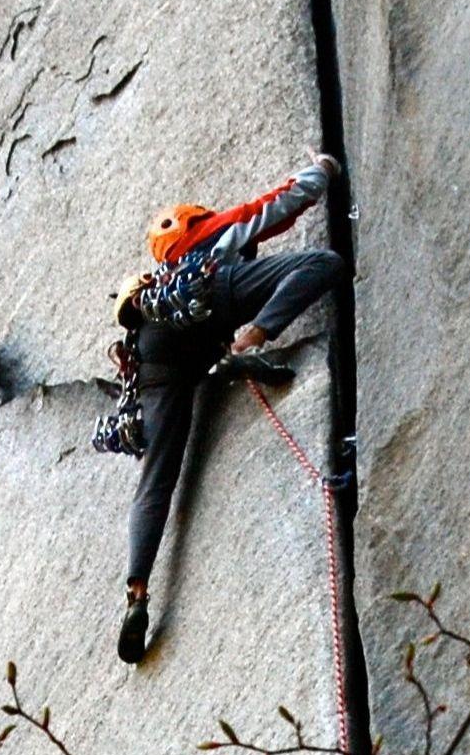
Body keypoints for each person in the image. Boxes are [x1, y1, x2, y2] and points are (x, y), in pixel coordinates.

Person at [115, 153, 348, 663]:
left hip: (157, 356)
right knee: (322, 264)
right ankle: (249, 346)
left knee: (157, 478)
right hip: (211, 302)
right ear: (194, 222)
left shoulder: (153, 294)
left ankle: (136, 593)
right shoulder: (205, 238)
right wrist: (322, 170)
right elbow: (274, 208)